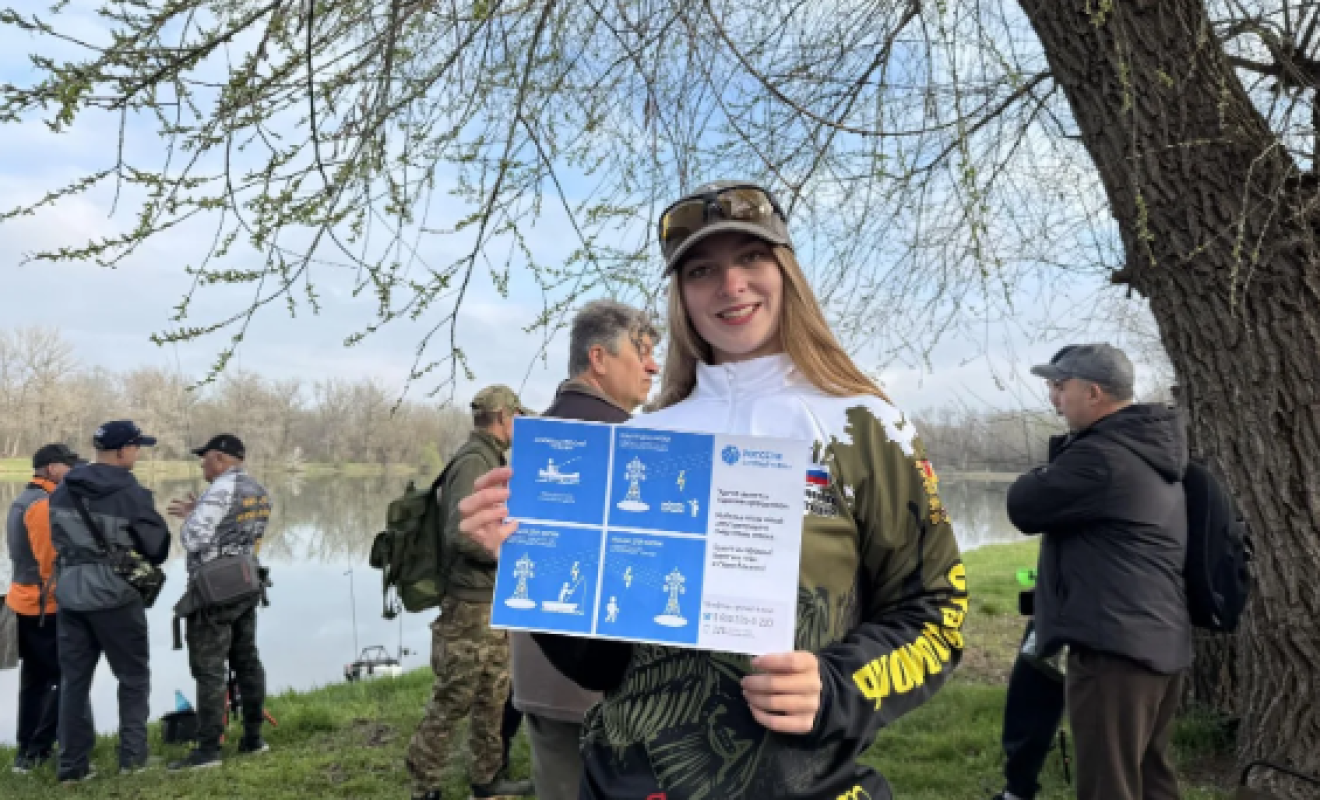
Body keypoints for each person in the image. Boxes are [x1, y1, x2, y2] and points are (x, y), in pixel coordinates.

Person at [458, 181, 970, 800]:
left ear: (786, 271)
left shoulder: (866, 426)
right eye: (701, 270)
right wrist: (529, 556)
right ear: (681, 296)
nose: (730, 285)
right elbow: (603, 667)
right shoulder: (645, 439)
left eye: (751, 257)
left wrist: (837, 685)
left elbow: (937, 612)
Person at [1007, 344, 1191, 800]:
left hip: (1114, 649)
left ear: (1093, 393)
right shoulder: (1147, 448)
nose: (1053, 397)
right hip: (1158, 640)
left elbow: (1024, 505)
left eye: (1059, 386)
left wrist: (1059, 456)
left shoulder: (1101, 457)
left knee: (1107, 785)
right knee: (1151, 779)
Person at [509, 298, 660, 800]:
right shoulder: (633, 441)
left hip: (539, 676)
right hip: (614, 682)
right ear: (598, 358)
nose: (653, 366)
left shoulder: (532, 437)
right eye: (642, 352)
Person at [406, 385, 536, 800]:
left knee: (492, 697)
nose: (520, 425)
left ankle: (487, 779)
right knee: (453, 699)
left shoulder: (489, 458)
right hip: (468, 606)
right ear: (503, 417)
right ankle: (424, 785)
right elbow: (460, 535)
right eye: (518, 417)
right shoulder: (473, 462)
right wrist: (509, 552)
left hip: (489, 602)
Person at [49, 420, 171, 782]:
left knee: (73, 682)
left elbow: (56, 538)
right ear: (122, 451)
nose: (138, 453)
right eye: (136, 447)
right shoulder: (131, 492)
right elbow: (157, 549)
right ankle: (133, 762)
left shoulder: (63, 488)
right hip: (115, 595)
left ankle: (72, 767)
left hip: (70, 593)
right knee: (133, 678)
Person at [166, 433, 273, 770]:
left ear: (222, 458)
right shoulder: (258, 490)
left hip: (214, 591)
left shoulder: (220, 491)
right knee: (247, 660)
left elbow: (193, 539)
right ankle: (253, 738)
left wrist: (192, 517)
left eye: (206, 457)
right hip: (247, 581)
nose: (202, 463)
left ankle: (208, 748)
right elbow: (241, 531)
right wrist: (200, 510)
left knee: (209, 668)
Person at [6, 444, 81, 773]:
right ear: (52, 468)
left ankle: (28, 749)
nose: (73, 471)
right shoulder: (42, 504)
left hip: (25, 600)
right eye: (69, 466)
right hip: (43, 604)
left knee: (36, 679)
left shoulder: (23, 499)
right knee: (58, 677)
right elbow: (50, 563)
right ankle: (37, 749)